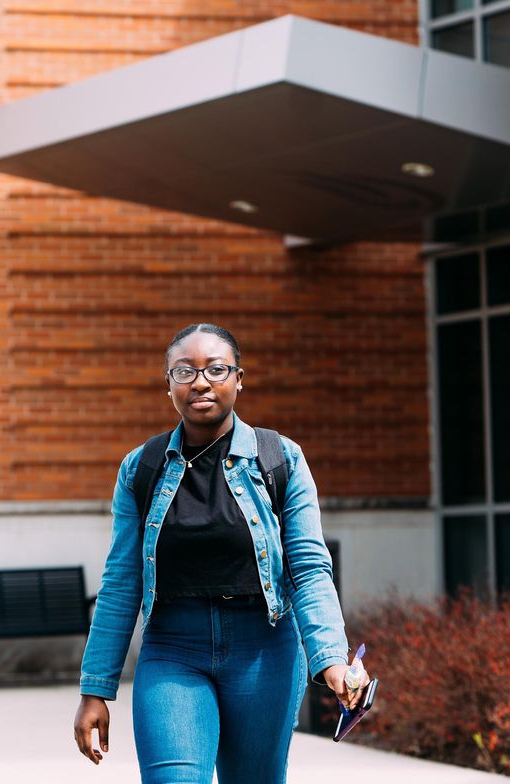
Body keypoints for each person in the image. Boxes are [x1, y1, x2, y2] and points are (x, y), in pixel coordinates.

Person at [72, 323, 368, 783]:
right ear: (168, 383)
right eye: (185, 371)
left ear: (239, 378)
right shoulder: (141, 467)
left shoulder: (280, 458)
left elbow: (309, 569)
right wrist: (95, 688)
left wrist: (330, 657)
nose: (201, 382)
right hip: (173, 648)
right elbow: (121, 581)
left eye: (216, 369)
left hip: (264, 651)